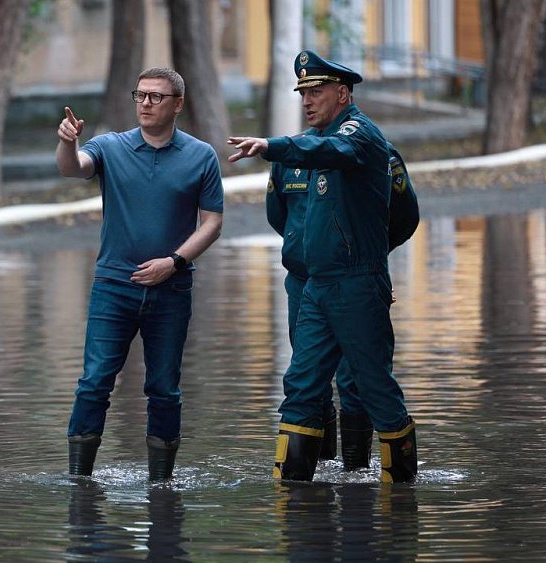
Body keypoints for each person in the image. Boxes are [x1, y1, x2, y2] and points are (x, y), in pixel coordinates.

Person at [228, 50, 418, 483]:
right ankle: (291, 494)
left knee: (371, 386)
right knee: (301, 384)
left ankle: (400, 495)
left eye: (316, 91)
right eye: (303, 93)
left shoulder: (360, 134)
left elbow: (398, 210)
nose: (307, 100)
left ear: (343, 94)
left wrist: (271, 145)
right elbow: (283, 217)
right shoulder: (310, 146)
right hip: (314, 283)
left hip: (357, 282)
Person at [56, 67, 224, 481]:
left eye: (156, 97)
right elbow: (74, 168)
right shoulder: (110, 146)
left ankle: (162, 484)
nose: (145, 103)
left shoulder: (201, 155)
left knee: (164, 388)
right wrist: (68, 142)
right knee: (94, 382)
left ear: (177, 104)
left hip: (172, 289)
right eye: (140, 95)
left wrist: (174, 262)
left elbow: (212, 223)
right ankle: (79, 481)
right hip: (114, 286)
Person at [266, 139, 419, 472]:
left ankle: (356, 470)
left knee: (356, 378)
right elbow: (278, 215)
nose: (310, 109)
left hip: (354, 283)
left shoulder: (375, 150)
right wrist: (311, 249)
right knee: (306, 377)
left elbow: (405, 216)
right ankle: (318, 470)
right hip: (303, 281)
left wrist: (366, 259)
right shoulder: (290, 155)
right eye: (307, 104)